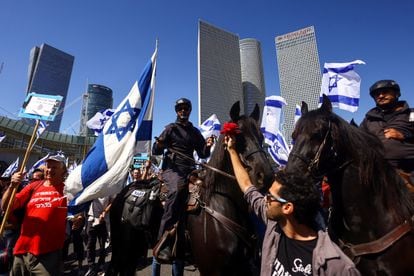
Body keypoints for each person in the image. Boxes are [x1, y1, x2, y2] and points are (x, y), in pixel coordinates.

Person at [224, 135, 361, 275]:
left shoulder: (337, 265)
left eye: (270, 196)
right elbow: (247, 186)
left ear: (287, 208)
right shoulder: (274, 225)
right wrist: (232, 150)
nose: (265, 199)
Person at [152, 98, 214, 255]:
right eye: (180, 108)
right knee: (178, 189)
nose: (183, 111)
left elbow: (202, 154)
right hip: (172, 170)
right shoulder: (170, 129)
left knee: (208, 185)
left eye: (186, 108)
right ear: (177, 111)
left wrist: (207, 146)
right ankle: (163, 238)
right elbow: (156, 151)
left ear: (189, 110)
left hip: (190, 169)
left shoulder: (194, 132)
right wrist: (159, 145)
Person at [1, 154, 68, 276]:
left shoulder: (67, 190)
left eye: (54, 167)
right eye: (48, 166)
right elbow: (6, 207)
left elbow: (76, 209)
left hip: (48, 254)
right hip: (22, 250)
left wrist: (80, 217)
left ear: (63, 170)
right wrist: (11, 186)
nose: (50, 170)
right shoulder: (34, 186)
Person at [360, 79, 414, 174]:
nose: (380, 96)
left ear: (396, 94)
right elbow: (358, 141)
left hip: (409, 169)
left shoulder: (411, 113)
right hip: (377, 170)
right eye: (377, 94)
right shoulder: (368, 119)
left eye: (385, 92)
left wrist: (405, 135)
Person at [84, 196, 112, 276]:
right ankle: (91, 267)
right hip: (91, 219)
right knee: (90, 244)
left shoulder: (109, 187)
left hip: (104, 220)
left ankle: (101, 265)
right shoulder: (91, 185)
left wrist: (105, 212)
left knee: (103, 245)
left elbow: (112, 201)